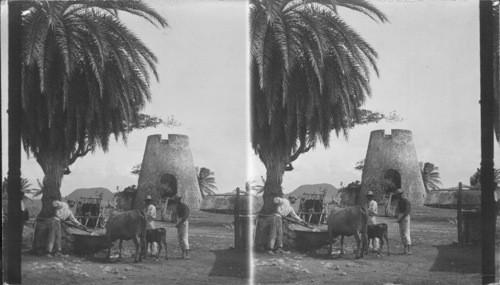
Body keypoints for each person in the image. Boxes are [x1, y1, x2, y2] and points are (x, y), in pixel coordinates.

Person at [394, 189, 412, 255]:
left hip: (405, 217)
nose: (397, 196)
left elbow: (407, 211)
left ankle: (409, 250)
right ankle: (405, 250)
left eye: (397, 195)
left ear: (400, 194)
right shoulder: (399, 201)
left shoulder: (405, 201)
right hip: (401, 216)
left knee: (406, 232)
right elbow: (398, 210)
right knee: (402, 233)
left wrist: (401, 218)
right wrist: (397, 216)